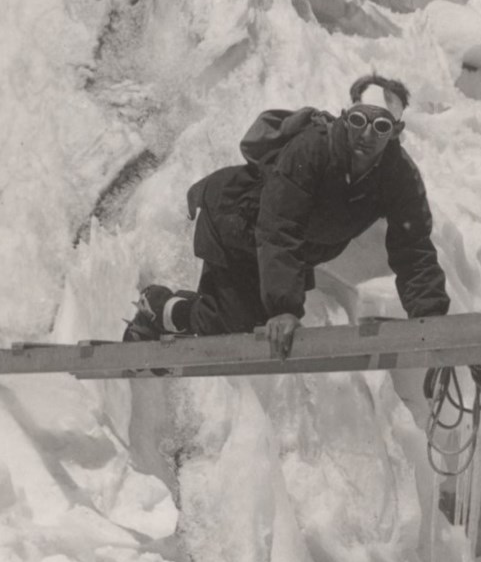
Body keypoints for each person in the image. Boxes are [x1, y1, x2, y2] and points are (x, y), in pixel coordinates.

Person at [123, 74, 450, 358]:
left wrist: (429, 314)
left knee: (240, 322)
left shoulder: (399, 176)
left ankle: (177, 315)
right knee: (235, 323)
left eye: (380, 126)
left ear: (396, 131)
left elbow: (413, 247)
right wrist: (283, 309)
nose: (367, 135)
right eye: (358, 121)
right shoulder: (311, 151)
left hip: (284, 247)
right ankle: (158, 307)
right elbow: (279, 226)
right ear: (345, 116)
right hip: (237, 223)